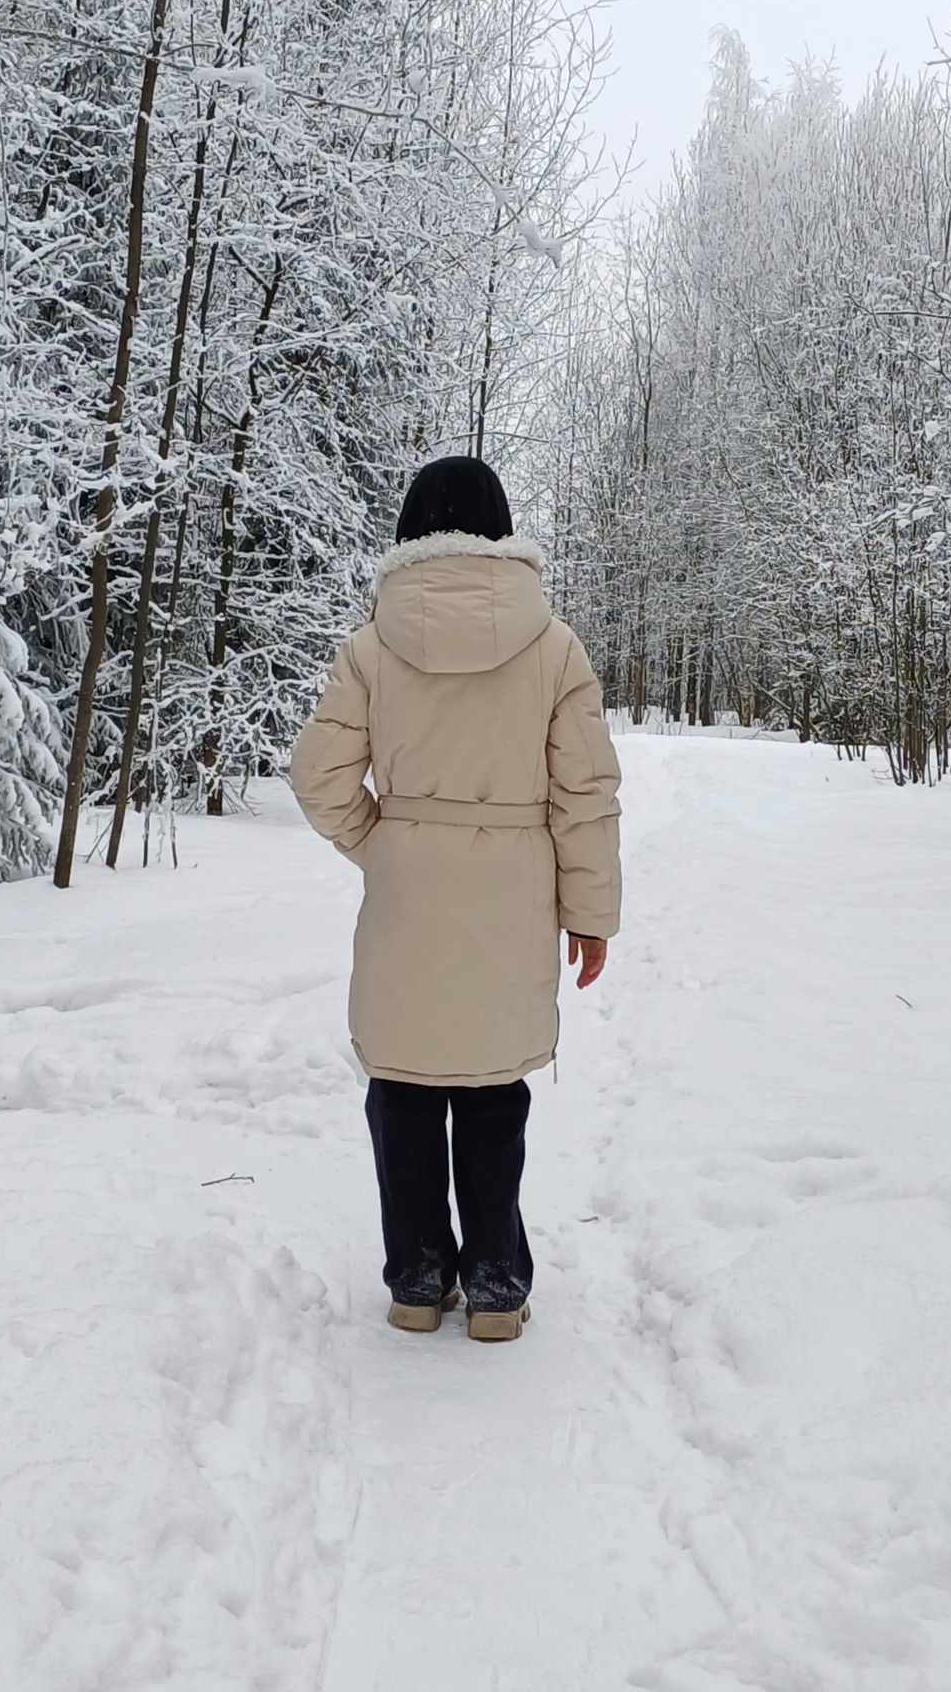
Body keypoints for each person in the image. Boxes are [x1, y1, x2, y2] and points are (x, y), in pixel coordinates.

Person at [290, 456, 622, 1343]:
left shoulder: (370, 645)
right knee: (489, 1084)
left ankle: (416, 1278)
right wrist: (590, 914)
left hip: (406, 903)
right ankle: (497, 1285)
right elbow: (584, 792)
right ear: (501, 532)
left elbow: (318, 774)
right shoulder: (554, 646)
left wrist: (378, 840)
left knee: (402, 1081)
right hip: (513, 903)